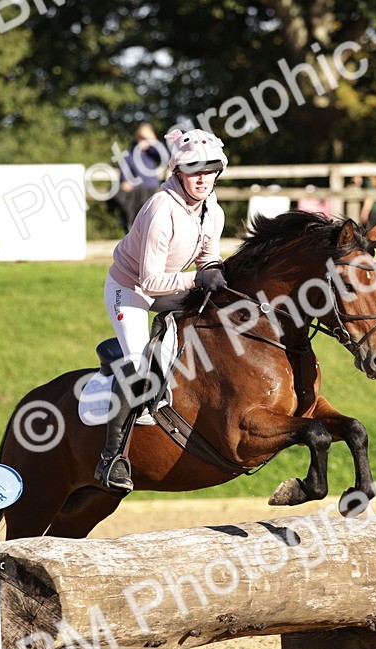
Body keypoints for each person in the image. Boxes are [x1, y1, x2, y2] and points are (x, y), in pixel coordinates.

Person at [95, 128, 229, 492]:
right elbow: (151, 281)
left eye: (210, 169)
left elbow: (208, 256)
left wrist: (214, 270)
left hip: (166, 287)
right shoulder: (161, 209)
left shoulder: (212, 209)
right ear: (178, 172)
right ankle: (111, 459)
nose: (203, 178)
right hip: (132, 289)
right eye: (194, 170)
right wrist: (197, 280)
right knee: (138, 366)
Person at [112, 123, 166, 232]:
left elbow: (166, 157)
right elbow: (124, 174)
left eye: (146, 138)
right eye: (142, 138)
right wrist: (125, 182)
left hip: (153, 190)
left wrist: (153, 141)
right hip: (136, 192)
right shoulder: (129, 154)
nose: (144, 141)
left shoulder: (153, 153)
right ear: (137, 138)